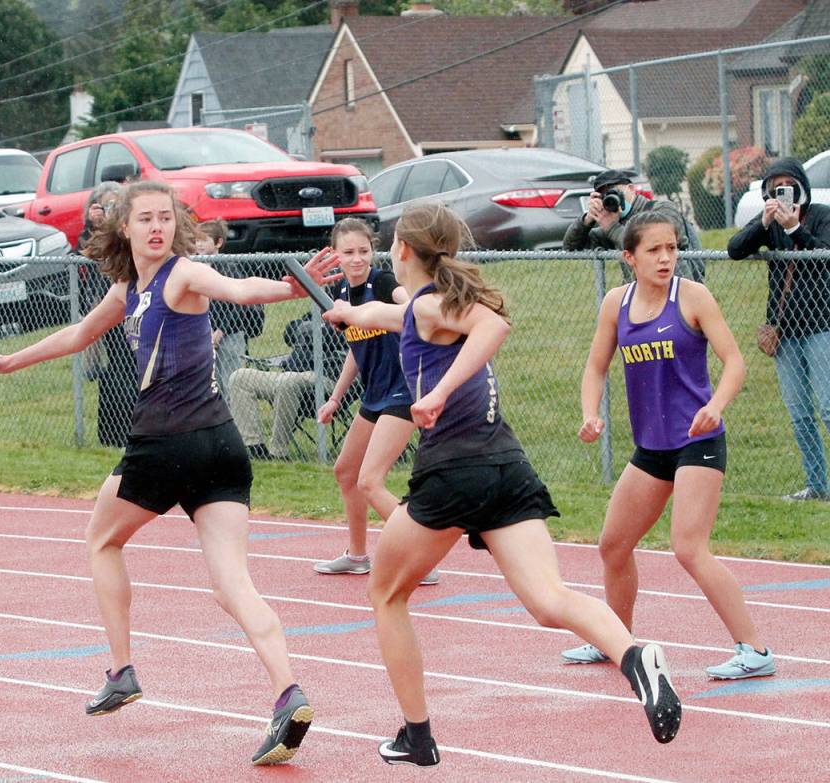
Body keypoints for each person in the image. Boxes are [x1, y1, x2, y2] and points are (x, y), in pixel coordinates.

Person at [0, 180, 343, 765]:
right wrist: (11, 360)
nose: (158, 228)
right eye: (147, 220)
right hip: (221, 448)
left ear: (176, 228)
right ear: (126, 229)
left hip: (168, 446)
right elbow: (81, 334)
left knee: (102, 540)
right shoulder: (127, 289)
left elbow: (234, 289)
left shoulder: (183, 274)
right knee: (230, 584)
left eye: (166, 218)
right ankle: (288, 694)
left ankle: (121, 669)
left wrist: (288, 288)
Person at [324, 202, 682, 766]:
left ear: (403, 252)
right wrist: (347, 310)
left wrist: (439, 393)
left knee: (387, 594)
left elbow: (494, 327)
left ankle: (418, 735)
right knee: (549, 600)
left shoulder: (436, 306)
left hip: (452, 471)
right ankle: (635, 655)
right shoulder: (427, 306)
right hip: (506, 467)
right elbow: (388, 312)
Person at [563, 211, 774, 681]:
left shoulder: (693, 297)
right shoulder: (615, 304)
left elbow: (735, 361)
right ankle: (616, 640)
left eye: (672, 248)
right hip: (652, 447)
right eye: (654, 250)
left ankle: (755, 649)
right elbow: (596, 366)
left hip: (697, 440)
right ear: (629, 257)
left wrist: (717, 404)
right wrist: (589, 413)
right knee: (613, 545)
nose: (665, 258)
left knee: (688, 547)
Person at [312, 218, 438, 586]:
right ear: (335, 254)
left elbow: (408, 303)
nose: (356, 259)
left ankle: (422, 557)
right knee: (346, 472)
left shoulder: (381, 283)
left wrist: (421, 304)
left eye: (363, 251)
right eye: (348, 252)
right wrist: (335, 397)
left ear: (373, 251)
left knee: (370, 481)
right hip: (375, 395)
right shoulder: (342, 298)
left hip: (404, 392)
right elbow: (357, 346)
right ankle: (356, 555)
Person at [728, 157, 830, 502]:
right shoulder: (769, 223)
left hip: (821, 325)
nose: (783, 193)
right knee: (800, 414)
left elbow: (825, 254)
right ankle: (817, 487)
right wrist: (765, 222)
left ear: (802, 186)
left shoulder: (822, 216)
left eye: (789, 186)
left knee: (829, 408)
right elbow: (735, 249)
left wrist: (793, 229)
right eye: (775, 189)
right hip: (785, 331)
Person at [228, 308, 346, 461]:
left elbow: (337, 339)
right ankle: (254, 447)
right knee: (240, 377)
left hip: (327, 380)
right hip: (291, 373)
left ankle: (278, 452)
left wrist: (318, 330)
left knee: (288, 380)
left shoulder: (352, 314)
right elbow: (290, 332)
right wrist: (310, 328)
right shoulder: (319, 307)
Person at [76, 182, 137, 448]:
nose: (110, 210)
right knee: (117, 368)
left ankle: (139, 430)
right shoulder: (96, 233)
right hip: (108, 305)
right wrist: (92, 226)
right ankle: (115, 433)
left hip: (135, 305)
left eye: (115, 204)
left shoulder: (129, 228)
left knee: (137, 366)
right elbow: (86, 252)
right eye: (105, 204)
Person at [564, 168, 704, 282]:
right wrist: (587, 219)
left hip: (675, 288)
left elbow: (650, 241)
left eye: (614, 191)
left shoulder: (662, 209)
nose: (612, 198)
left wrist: (612, 228)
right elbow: (570, 246)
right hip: (639, 296)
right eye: (604, 195)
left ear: (631, 189)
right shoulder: (613, 225)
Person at [194, 219, 265, 400]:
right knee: (211, 382)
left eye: (204, 240)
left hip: (229, 334)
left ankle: (237, 420)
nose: (199, 244)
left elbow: (238, 304)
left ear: (218, 243)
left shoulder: (228, 268)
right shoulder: (194, 269)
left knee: (231, 379)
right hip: (204, 334)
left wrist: (220, 331)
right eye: (196, 240)